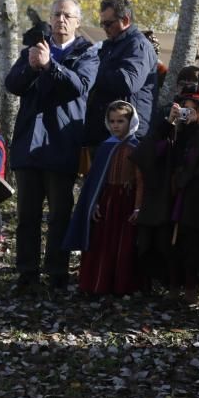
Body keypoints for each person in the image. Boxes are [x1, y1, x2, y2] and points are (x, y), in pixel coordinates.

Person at [5, 0, 99, 291]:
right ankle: (27, 273)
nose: (61, 20)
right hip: (29, 145)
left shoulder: (88, 54)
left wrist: (50, 67)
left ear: (77, 22)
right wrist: (32, 66)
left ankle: (57, 272)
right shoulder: (35, 50)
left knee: (60, 214)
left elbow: (79, 86)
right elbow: (12, 85)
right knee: (27, 216)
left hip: (62, 143)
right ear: (50, 19)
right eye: (56, 14)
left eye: (67, 15)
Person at [131, 86, 199, 303]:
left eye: (191, 110)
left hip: (196, 205)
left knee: (192, 245)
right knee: (169, 242)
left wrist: (183, 173)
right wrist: (167, 124)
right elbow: (148, 153)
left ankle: (191, 286)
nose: (186, 114)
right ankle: (173, 284)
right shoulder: (177, 136)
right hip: (172, 200)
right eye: (184, 110)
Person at [63, 101, 143, 295]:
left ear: (130, 121)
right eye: (112, 121)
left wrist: (138, 207)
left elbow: (141, 180)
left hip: (126, 201)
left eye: (121, 121)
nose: (116, 125)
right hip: (107, 202)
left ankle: (121, 286)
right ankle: (97, 284)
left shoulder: (136, 148)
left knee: (123, 244)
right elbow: (95, 180)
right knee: (102, 243)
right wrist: (94, 203)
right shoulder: (105, 147)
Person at [84, 0, 157, 149]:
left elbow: (128, 82)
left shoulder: (138, 45)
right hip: (108, 131)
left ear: (125, 20)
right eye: (102, 23)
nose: (104, 28)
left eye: (108, 24)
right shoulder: (108, 46)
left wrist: (92, 72)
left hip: (130, 136)